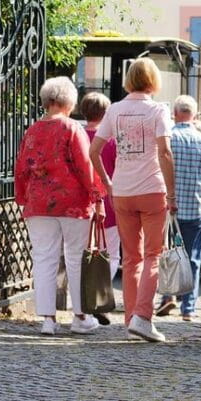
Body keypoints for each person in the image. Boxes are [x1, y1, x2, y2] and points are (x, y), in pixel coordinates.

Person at [90, 58, 175, 343]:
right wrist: (172, 193)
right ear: (153, 80)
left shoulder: (114, 109)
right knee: (153, 255)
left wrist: (108, 182)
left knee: (131, 258)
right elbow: (165, 152)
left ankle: (130, 322)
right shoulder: (158, 110)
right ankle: (143, 317)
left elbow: (94, 151)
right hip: (152, 189)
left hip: (122, 191)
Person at [14, 76, 104, 336]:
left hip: (39, 202)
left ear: (47, 101)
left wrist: (23, 198)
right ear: (68, 101)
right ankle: (80, 316)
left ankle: (48, 320)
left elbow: (21, 168)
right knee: (76, 258)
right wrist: (97, 196)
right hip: (72, 202)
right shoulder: (71, 128)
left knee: (44, 258)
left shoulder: (32, 130)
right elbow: (85, 166)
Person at [155, 96, 201, 321]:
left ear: (174, 113)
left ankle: (168, 296)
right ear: (194, 114)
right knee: (193, 258)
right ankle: (188, 308)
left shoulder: (168, 139)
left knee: (168, 254)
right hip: (195, 208)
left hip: (169, 208)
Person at [80, 92, 120, 325]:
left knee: (82, 253)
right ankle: (98, 294)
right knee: (111, 254)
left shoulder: (78, 135)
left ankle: (83, 302)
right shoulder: (111, 141)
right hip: (109, 202)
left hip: (82, 202)